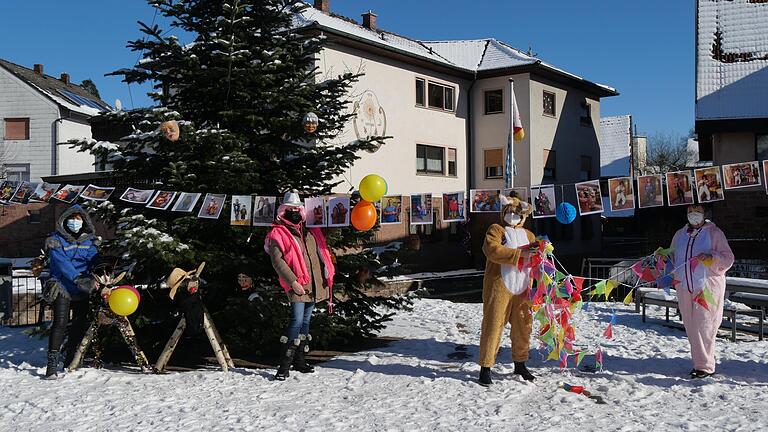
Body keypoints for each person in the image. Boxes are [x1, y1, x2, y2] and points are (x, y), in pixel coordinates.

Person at [264, 192, 335, 381]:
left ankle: (300, 361)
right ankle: (283, 366)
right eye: (290, 210)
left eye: (297, 209)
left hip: (312, 284)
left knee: (305, 322)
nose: (294, 212)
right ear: (283, 211)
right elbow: (277, 262)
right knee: (295, 321)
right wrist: (293, 282)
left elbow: (320, 250)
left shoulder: (311, 230)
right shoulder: (277, 233)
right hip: (297, 284)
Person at [478, 195, 538, 386]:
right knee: (493, 325)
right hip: (499, 285)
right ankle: (485, 367)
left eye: (516, 212)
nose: (512, 215)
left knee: (523, 326)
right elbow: (491, 250)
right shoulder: (496, 230)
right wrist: (520, 254)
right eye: (509, 212)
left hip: (523, 287)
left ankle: (520, 363)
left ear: (523, 216)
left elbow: (535, 258)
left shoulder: (529, 235)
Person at [668, 204, 734, 378]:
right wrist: (663, 258)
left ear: (705, 214)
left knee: (705, 325)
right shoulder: (680, 234)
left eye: (697, 211)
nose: (693, 215)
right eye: (690, 211)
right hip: (684, 286)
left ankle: (704, 366)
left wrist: (712, 257)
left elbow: (728, 258)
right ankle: (699, 361)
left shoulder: (714, 233)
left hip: (706, 288)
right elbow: (672, 256)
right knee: (691, 326)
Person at [42, 205, 100, 378]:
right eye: (72, 219)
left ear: (84, 221)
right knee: (60, 323)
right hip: (62, 285)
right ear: (65, 221)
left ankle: (71, 360)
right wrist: (77, 278)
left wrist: (94, 276)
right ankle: (52, 364)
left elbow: (93, 260)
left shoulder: (90, 241)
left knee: (79, 324)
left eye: (79, 219)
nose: (75, 222)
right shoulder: (56, 240)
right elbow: (61, 263)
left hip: (83, 287)